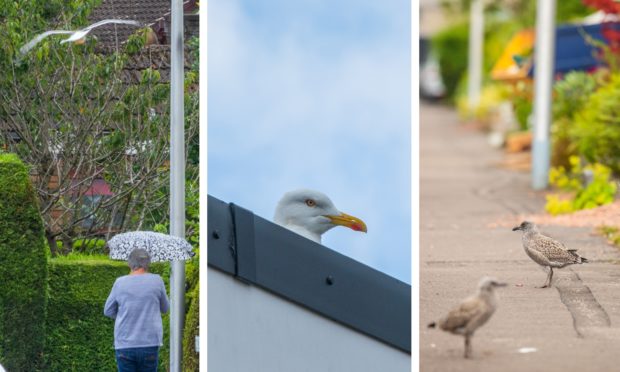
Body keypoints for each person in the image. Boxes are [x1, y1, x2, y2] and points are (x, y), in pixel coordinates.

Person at [104, 248, 170, 372]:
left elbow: (108, 310)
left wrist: (123, 316)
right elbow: (165, 308)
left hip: (124, 344)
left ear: (130, 263)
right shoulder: (157, 280)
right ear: (148, 263)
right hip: (150, 342)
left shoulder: (120, 283)